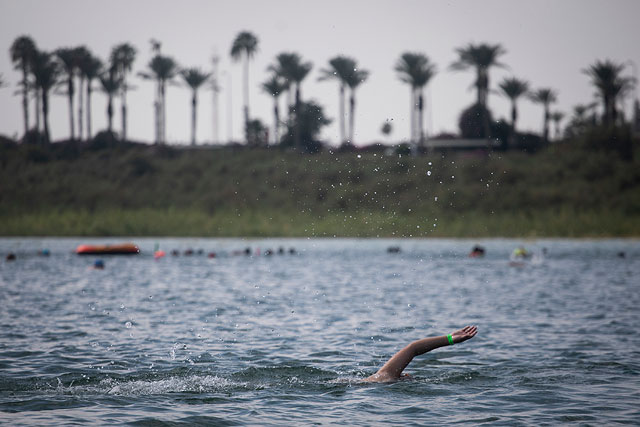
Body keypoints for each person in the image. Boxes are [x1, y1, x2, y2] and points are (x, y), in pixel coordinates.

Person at [365, 325, 478, 382]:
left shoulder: (379, 380)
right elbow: (413, 348)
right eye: (404, 376)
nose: (407, 375)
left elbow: (413, 349)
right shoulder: (384, 378)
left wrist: (449, 338)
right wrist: (449, 339)